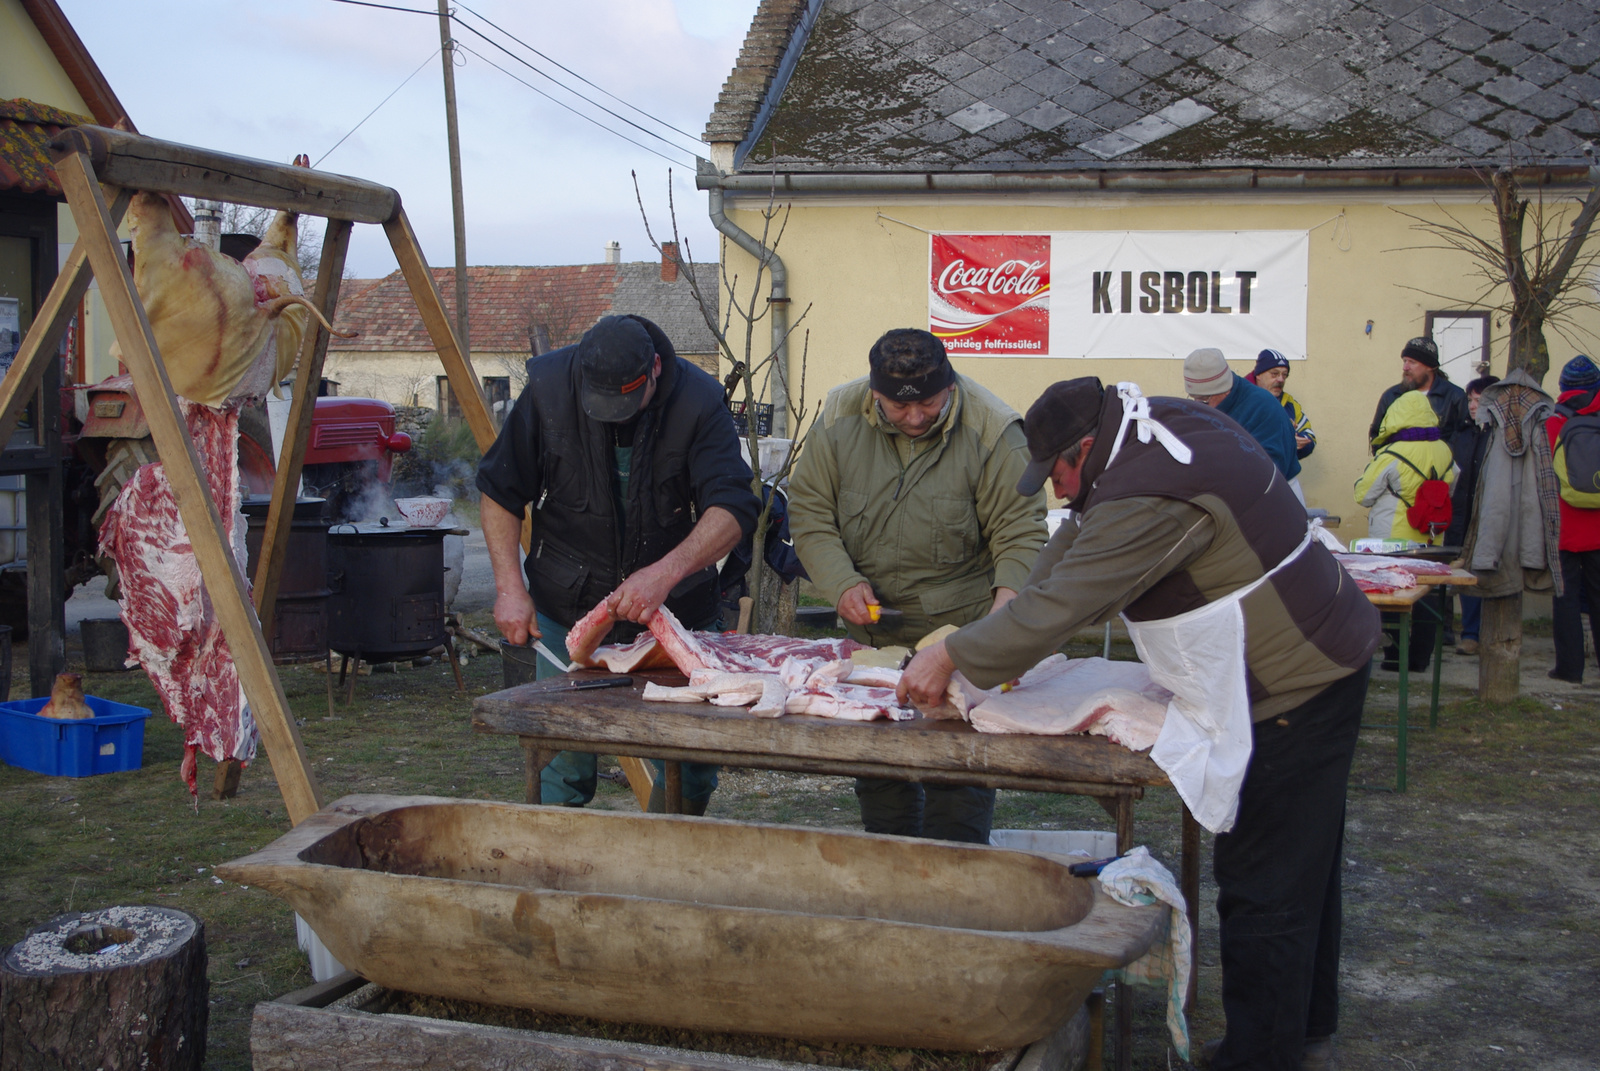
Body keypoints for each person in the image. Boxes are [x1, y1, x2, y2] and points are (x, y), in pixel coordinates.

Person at [896, 378, 1381, 1071]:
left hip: (1293, 684)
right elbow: (1063, 559)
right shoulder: (1142, 429)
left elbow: (1065, 604)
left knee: (1264, 884)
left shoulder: (1149, 489)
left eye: (1058, 473)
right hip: (1322, 653)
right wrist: (992, 632)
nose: (1058, 491)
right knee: (1305, 868)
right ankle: (1300, 1036)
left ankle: (1263, 1057)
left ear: (1085, 449)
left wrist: (955, 653)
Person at [476, 314, 760, 813]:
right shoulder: (548, 387)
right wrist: (508, 588)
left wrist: (666, 573)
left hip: (676, 616)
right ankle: (556, 876)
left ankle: (664, 873)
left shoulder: (699, 401)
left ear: (653, 369)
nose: (614, 416)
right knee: (561, 762)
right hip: (566, 603)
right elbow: (500, 491)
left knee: (688, 764)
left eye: (626, 402)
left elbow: (733, 509)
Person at [787, 328, 1046, 844]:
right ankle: (893, 880)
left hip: (961, 638)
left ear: (948, 384)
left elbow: (1021, 537)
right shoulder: (840, 415)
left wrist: (996, 631)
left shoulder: (994, 430)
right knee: (881, 785)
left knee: (959, 784)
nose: (915, 417)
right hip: (871, 638)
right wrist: (839, 583)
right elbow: (810, 511)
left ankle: (957, 883)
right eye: (897, 407)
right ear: (874, 393)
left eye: (929, 402)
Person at [1355, 390, 1458, 672]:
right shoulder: (1444, 450)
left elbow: (1362, 495)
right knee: (1426, 597)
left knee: (1392, 598)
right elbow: (1453, 483)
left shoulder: (1391, 453)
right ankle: (1420, 659)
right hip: (1430, 536)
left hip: (1393, 538)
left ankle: (1394, 657)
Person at [1545, 355, 1600, 683]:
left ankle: (1569, 668)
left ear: (1564, 387)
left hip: (1563, 524)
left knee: (1564, 598)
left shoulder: (1553, 423)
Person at [1183, 347, 1302, 485]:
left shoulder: (1263, 407)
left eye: (1204, 399)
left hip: (1274, 492)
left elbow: (1268, 471)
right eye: (1194, 398)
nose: (1199, 405)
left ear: (1225, 390)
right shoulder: (1208, 405)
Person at [1445, 375, 1498, 656]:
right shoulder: (1462, 433)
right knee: (1459, 571)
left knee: (1483, 573)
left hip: (1487, 515)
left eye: (1479, 400)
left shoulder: (1498, 436)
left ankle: (1480, 633)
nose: (1473, 405)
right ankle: (1459, 633)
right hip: (1459, 514)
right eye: (1470, 400)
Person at [1368, 336, 1470, 451]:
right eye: (1404, 361)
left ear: (1430, 367)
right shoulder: (1392, 396)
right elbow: (1377, 435)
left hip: (1440, 466)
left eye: (1412, 362)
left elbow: (1464, 438)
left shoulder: (1454, 396)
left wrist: (1442, 460)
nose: (1405, 367)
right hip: (1398, 466)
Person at [1247, 348, 1315, 459]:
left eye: (1284, 375)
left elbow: (1309, 436)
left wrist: (1296, 442)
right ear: (1258, 375)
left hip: (1280, 472)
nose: (1281, 379)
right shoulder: (1240, 399)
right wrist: (1280, 438)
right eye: (1274, 374)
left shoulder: (1289, 404)